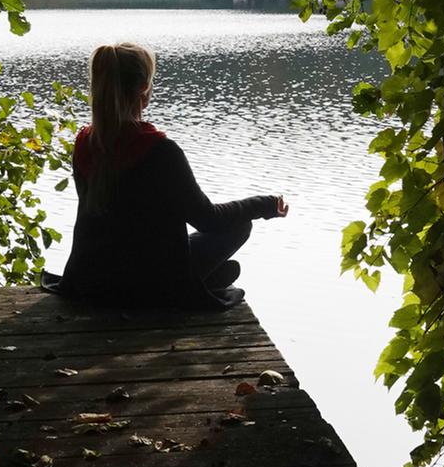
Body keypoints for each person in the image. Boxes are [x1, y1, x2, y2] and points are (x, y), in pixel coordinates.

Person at [45, 42, 288, 308]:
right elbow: (208, 220)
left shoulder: (85, 142)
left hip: (90, 279)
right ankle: (199, 281)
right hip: (149, 284)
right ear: (144, 91)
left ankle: (203, 278)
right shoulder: (160, 151)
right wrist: (265, 205)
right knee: (240, 224)